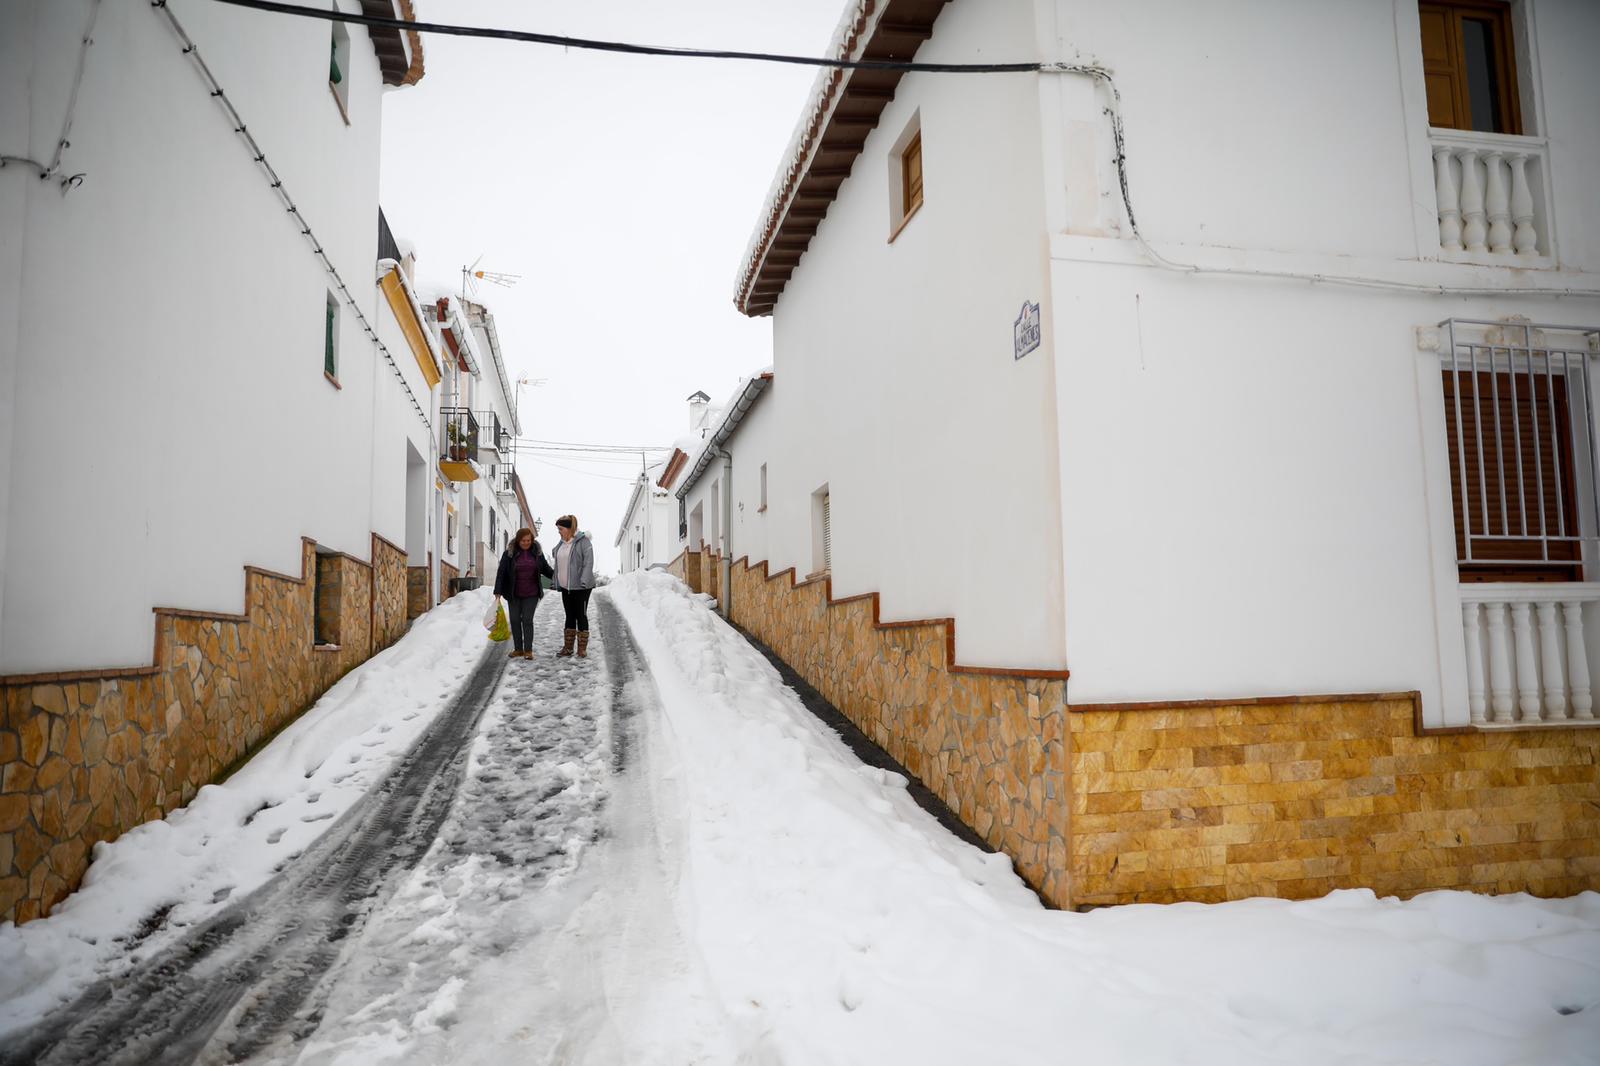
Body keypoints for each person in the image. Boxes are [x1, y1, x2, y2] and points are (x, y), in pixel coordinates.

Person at [493, 526, 552, 660]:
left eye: (528, 540)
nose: (526, 543)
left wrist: (558, 576)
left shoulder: (537, 553)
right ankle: (518, 649)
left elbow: (546, 569)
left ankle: (528, 650)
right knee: (514, 620)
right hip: (513, 593)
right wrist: (498, 590)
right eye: (523, 541)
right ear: (518, 540)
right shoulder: (509, 553)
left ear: (532, 540)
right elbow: (501, 572)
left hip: (531, 593)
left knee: (527, 620)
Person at [550, 514, 595, 658]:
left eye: (561, 529)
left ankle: (581, 649)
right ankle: (568, 648)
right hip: (566, 587)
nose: (559, 532)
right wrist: (556, 580)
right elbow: (557, 559)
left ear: (569, 528)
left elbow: (588, 562)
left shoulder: (584, 542)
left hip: (581, 587)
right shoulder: (562, 543)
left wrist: (584, 581)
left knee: (581, 615)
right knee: (569, 615)